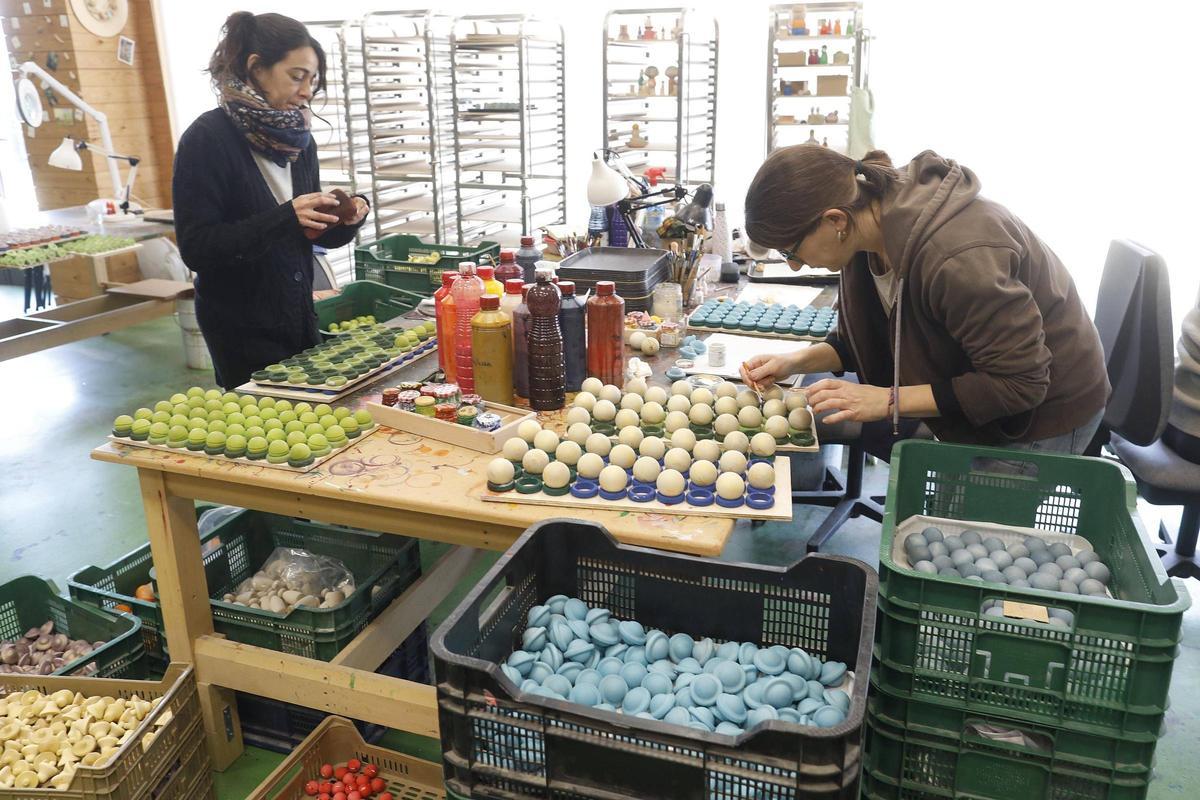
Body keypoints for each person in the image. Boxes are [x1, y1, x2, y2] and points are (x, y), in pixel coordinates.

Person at [739, 146, 1109, 456]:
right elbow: (867, 338)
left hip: (1044, 409)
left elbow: (1020, 383)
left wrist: (886, 400)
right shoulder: (865, 233)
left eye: (791, 250)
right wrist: (795, 360)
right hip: (986, 380)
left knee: (971, 532)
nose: (793, 264)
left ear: (835, 220)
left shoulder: (956, 258)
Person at [173, 12, 370, 389]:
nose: (307, 91)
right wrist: (285, 218)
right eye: (297, 76)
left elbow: (309, 235)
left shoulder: (299, 141)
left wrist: (346, 221)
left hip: (297, 314)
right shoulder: (208, 139)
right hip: (241, 329)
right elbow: (199, 248)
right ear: (257, 68)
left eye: (312, 81)